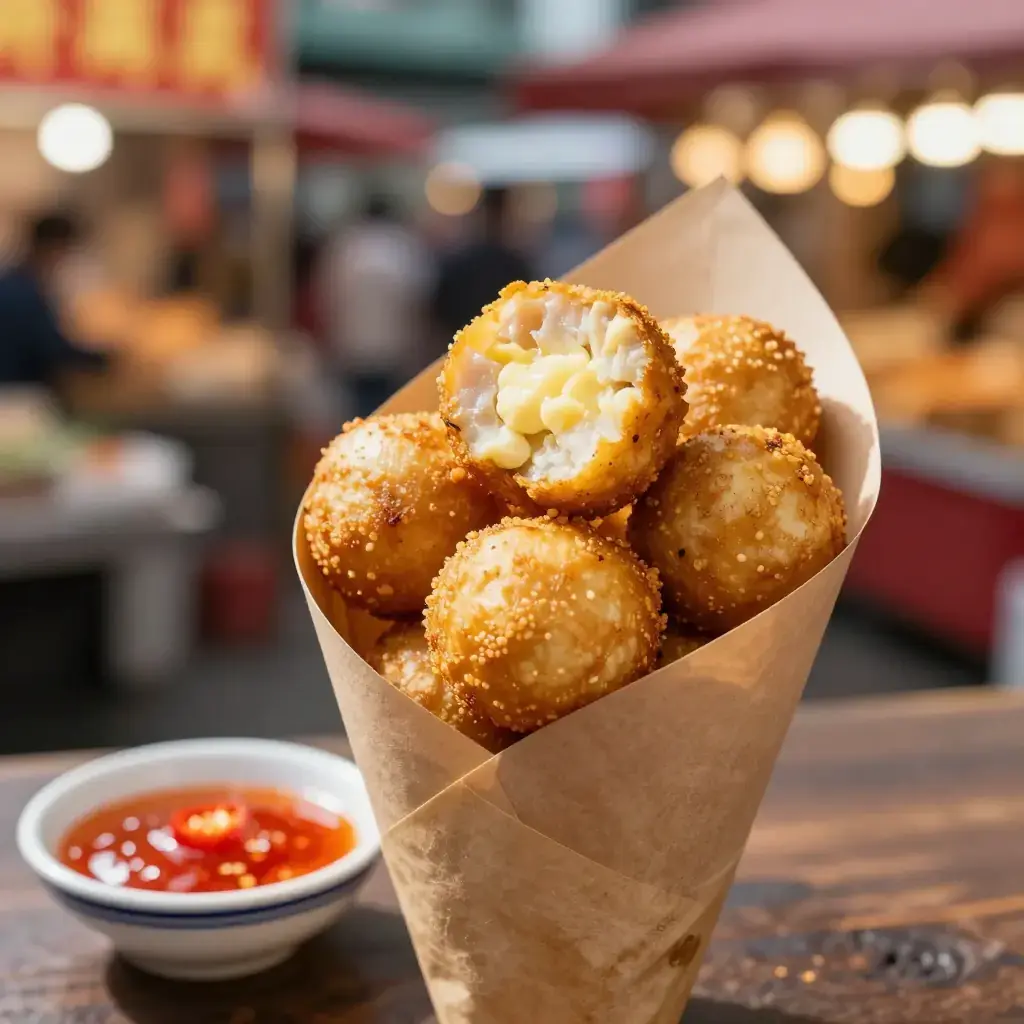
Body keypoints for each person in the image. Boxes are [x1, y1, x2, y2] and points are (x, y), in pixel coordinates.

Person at [318, 194, 430, 417]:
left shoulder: (346, 246)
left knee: (355, 411)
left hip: (351, 344)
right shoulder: (402, 246)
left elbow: (329, 296)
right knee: (392, 408)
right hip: (395, 345)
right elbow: (417, 299)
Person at [0, 213, 109, 388]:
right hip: (16, 395)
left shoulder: (14, 282)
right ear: (54, 247)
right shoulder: (24, 293)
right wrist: (101, 360)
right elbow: (49, 347)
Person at [431, 187, 536, 346]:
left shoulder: (460, 261)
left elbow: (440, 313)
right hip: (505, 345)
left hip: (464, 346)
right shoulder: (515, 263)